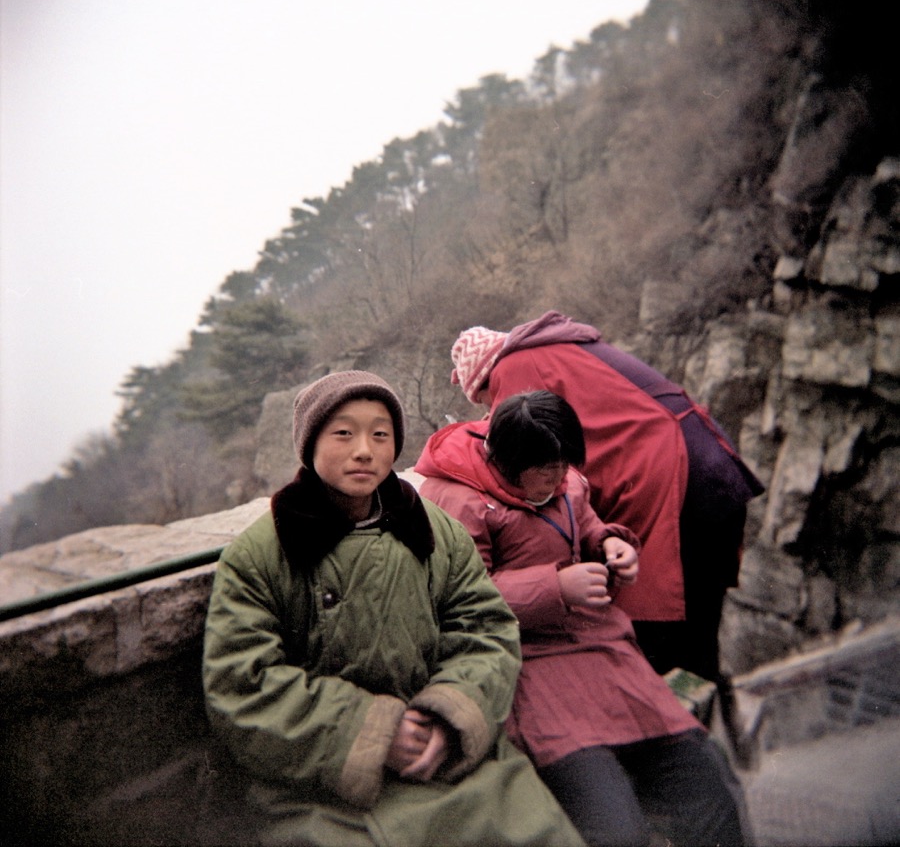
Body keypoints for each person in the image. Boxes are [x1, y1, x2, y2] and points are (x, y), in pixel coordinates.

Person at [202, 371, 584, 847]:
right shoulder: (262, 554)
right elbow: (241, 684)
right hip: (329, 788)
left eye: (380, 434)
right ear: (309, 443)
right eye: (343, 433)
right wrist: (374, 733)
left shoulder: (435, 533)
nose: (364, 450)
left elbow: (486, 631)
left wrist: (450, 716)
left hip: (449, 762)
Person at [416, 391, 747, 847]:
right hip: (528, 665)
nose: (559, 479)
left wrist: (610, 544)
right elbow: (458, 598)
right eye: (546, 470)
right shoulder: (453, 500)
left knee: (709, 797)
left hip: (604, 651)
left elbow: (585, 522)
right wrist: (556, 588)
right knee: (615, 831)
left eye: (564, 466)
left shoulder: (563, 477)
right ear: (505, 460)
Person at [449, 310, 764, 681]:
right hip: (709, 465)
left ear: (484, 380)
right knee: (697, 637)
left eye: (487, 401)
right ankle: (709, 725)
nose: (491, 410)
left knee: (656, 647)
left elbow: (513, 461)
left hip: (673, 478)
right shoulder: (557, 347)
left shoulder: (515, 368)